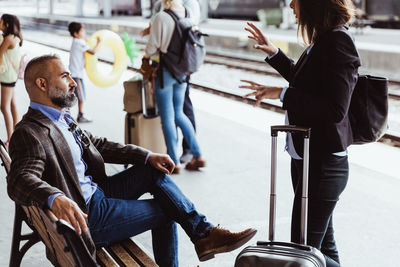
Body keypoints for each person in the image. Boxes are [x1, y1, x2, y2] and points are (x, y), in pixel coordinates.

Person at [7, 54, 257, 266]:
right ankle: (204, 235)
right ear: (41, 84)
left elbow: (98, 145)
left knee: (153, 172)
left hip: (97, 194)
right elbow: (19, 179)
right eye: (64, 77)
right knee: (168, 210)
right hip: (87, 216)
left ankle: (204, 234)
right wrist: (54, 197)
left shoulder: (61, 117)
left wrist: (147, 156)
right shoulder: (30, 132)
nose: (73, 82)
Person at [240, 0, 360, 266]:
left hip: (324, 164)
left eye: (296, 0)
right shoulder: (324, 39)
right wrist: (274, 53)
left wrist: (281, 94)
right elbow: (305, 80)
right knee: (321, 249)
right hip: (307, 160)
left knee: (302, 251)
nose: (292, 5)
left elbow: (335, 108)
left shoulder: (338, 41)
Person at [141, 0, 206, 173]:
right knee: (179, 113)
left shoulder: (161, 17)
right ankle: (198, 154)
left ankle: (174, 161)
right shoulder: (188, 13)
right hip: (182, 72)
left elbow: (152, 48)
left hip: (165, 71)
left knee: (167, 118)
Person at [68, 21, 100, 123]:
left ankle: (70, 114)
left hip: (74, 73)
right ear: (76, 34)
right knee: (80, 97)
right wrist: (99, 43)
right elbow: (93, 52)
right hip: (77, 74)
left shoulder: (76, 41)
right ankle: (80, 115)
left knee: (71, 95)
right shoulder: (79, 42)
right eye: (82, 30)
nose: (84, 32)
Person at [0, 14, 22, 148]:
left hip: (7, 76)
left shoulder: (8, 39)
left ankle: (10, 140)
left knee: (4, 106)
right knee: (12, 104)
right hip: (12, 75)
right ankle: (16, 135)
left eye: (1, 22)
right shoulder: (15, 37)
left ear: (7, 25)